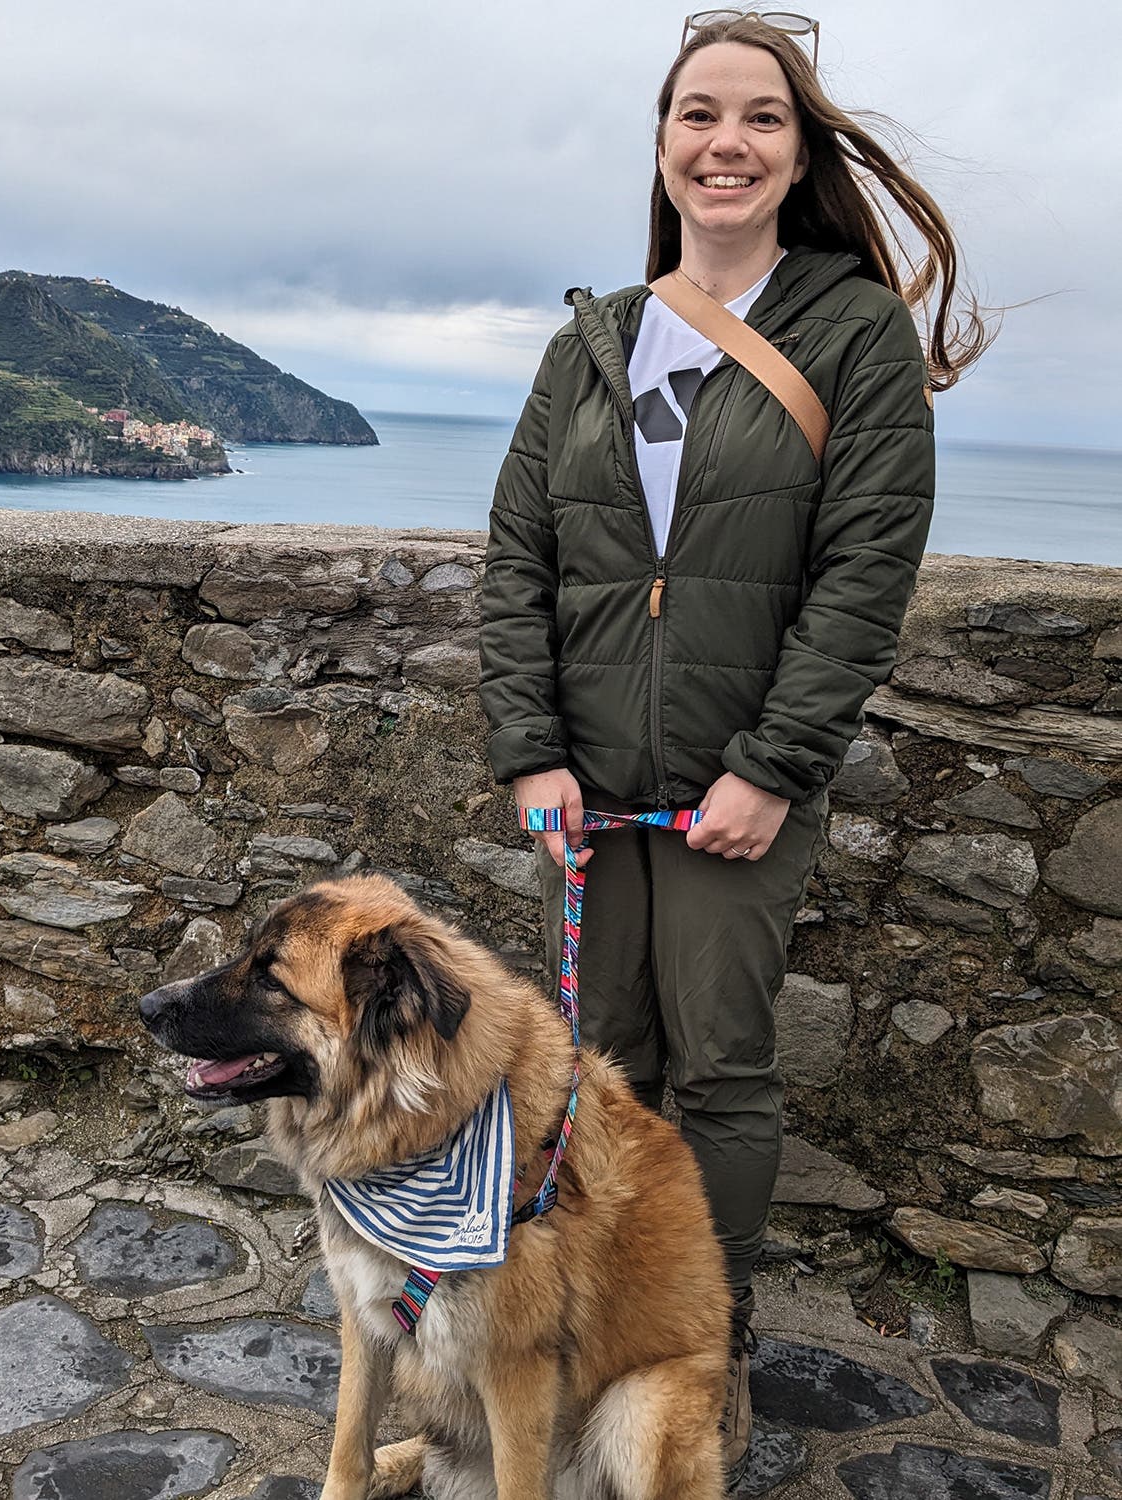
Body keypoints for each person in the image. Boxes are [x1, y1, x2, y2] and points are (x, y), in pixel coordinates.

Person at [478, 10, 991, 1486]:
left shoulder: (851, 331)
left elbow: (865, 567)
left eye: (760, 119)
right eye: (699, 115)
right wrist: (532, 754)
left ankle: (705, 1334)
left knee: (721, 1075)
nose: (726, 143)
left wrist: (775, 765)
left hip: (738, 788)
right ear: (661, 145)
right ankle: (588, 1315)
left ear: (798, 150)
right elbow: (520, 556)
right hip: (588, 787)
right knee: (594, 1065)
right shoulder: (589, 344)